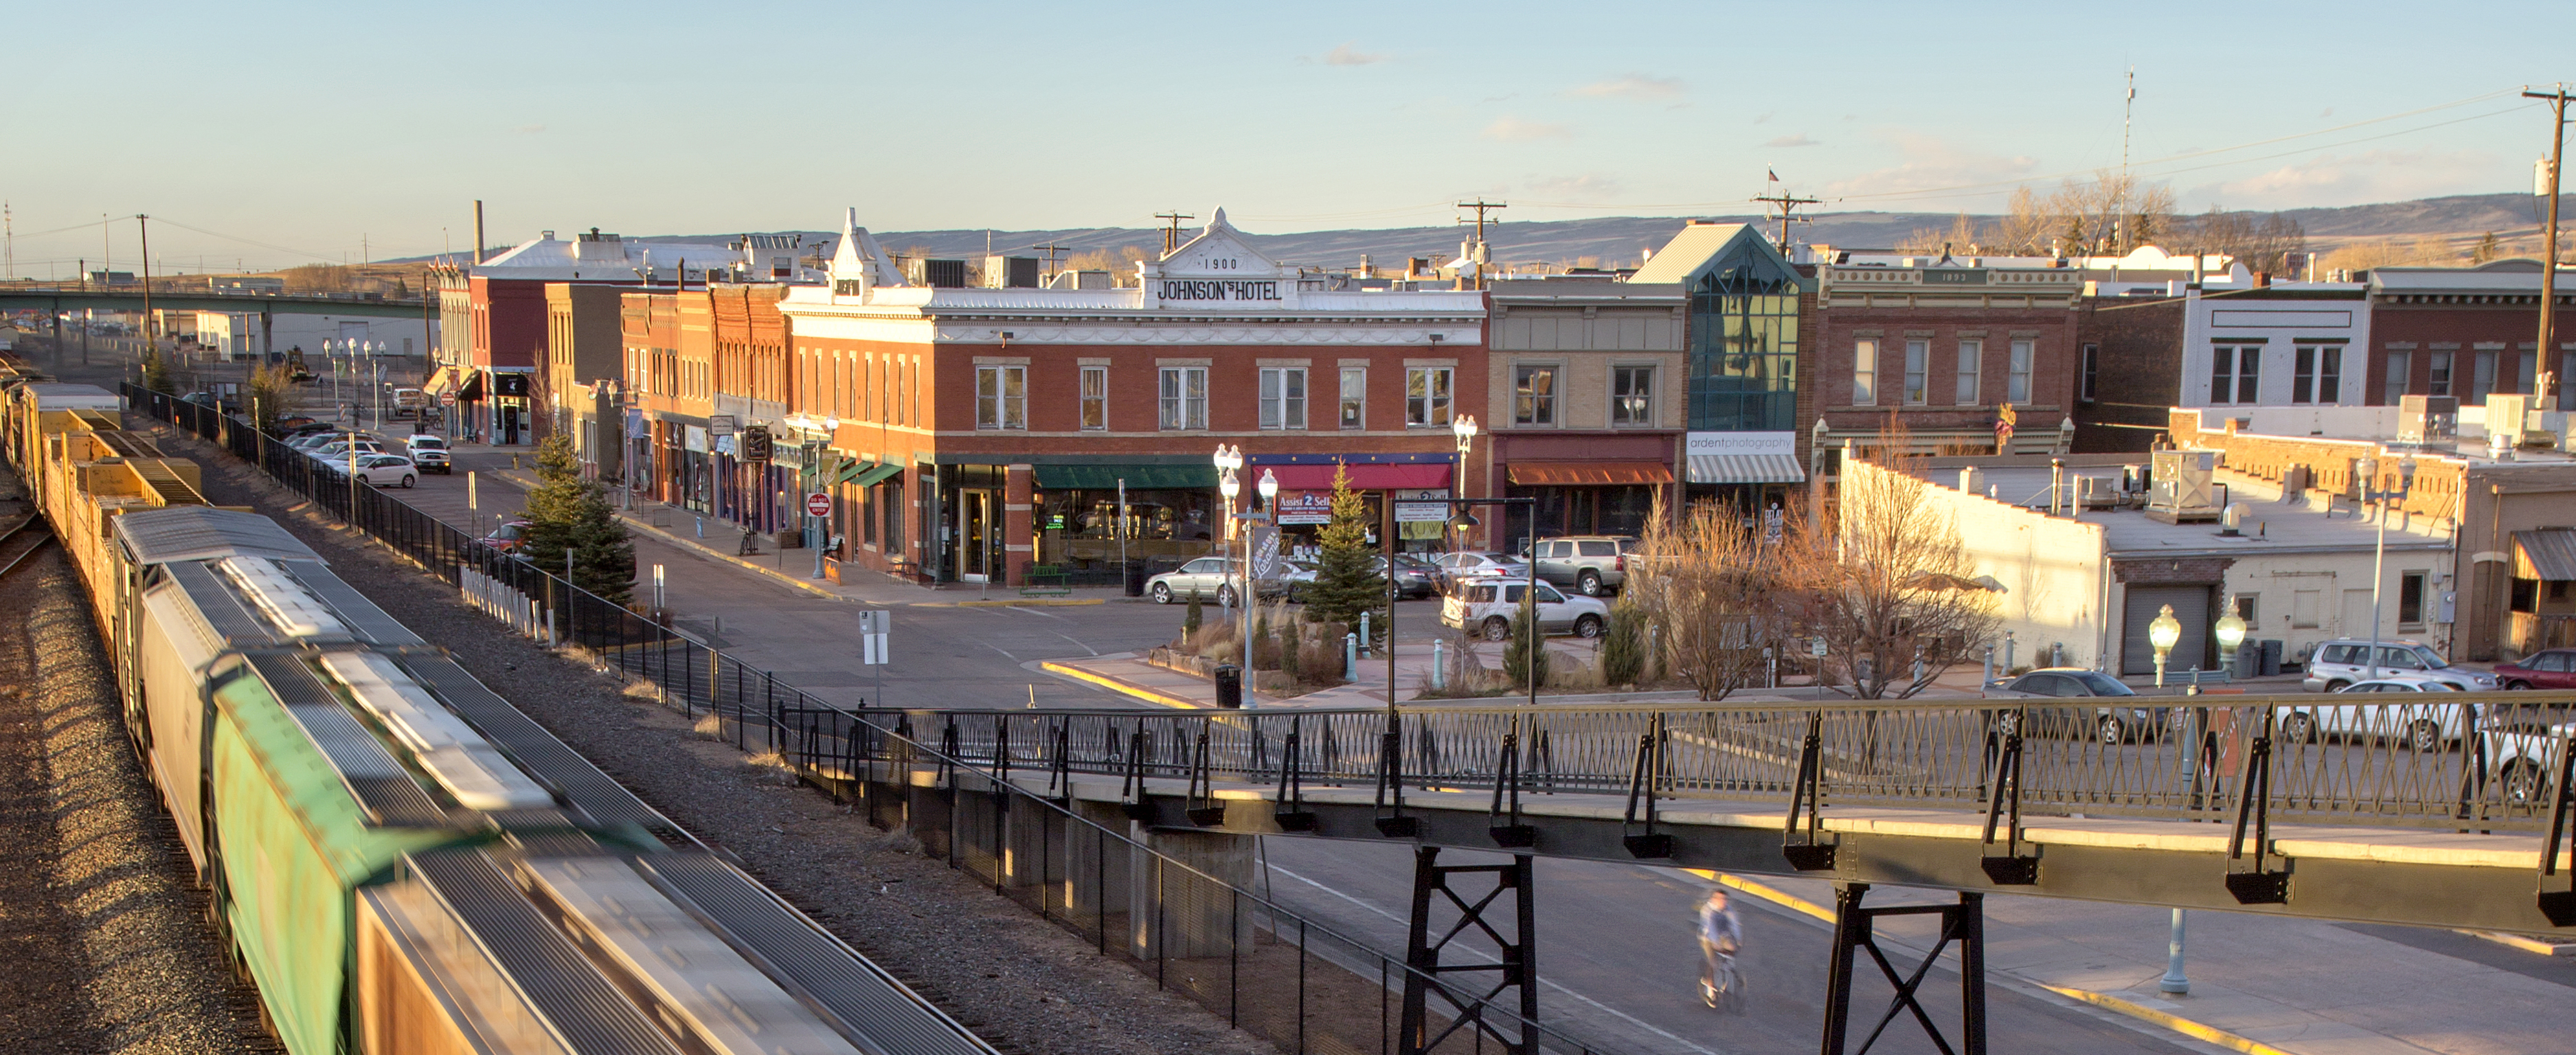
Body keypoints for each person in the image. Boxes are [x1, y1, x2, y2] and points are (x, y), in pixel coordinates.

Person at [1698, 887, 1743, 1006]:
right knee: (1713, 962)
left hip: (1723, 936)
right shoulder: (1708, 910)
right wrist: (1715, 943)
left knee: (1731, 951)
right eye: (1721, 899)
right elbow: (1710, 927)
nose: (1724, 902)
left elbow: (1735, 925)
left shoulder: (1729, 910)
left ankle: (1726, 972)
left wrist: (1738, 941)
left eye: (1725, 899)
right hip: (1708, 938)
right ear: (1714, 899)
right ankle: (1710, 990)